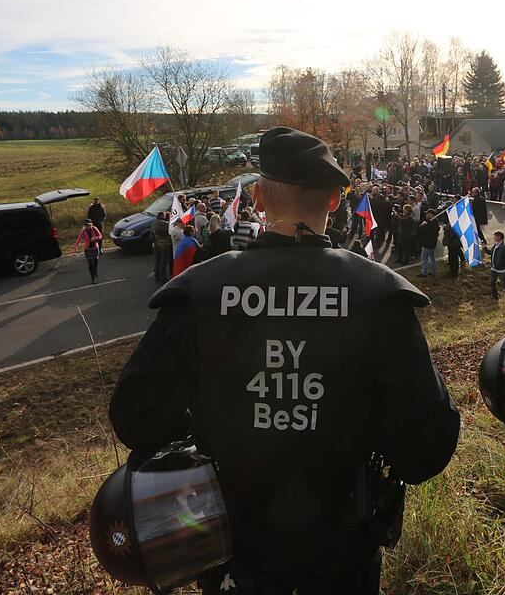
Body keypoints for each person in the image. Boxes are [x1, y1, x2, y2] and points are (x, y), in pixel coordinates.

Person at [109, 127, 459, 594]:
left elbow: (135, 417)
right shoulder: (379, 297)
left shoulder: (199, 293)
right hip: (342, 552)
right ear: (334, 200)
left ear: (256, 197)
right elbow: (427, 447)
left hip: (233, 547)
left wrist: (212, 430)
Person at [73, 218, 104, 284]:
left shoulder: (94, 228)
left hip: (95, 248)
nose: (87, 226)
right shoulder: (83, 231)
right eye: (86, 225)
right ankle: (93, 278)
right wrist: (75, 246)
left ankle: (95, 271)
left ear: (91, 224)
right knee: (90, 264)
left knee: (95, 262)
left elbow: (100, 236)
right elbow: (79, 238)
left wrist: (95, 238)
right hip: (87, 249)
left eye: (88, 225)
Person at [484, 231, 505, 301]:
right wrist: (484, 247)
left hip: (501, 270)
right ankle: (495, 297)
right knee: (492, 282)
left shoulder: (504, 247)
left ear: (499, 237)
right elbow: (489, 252)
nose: (494, 238)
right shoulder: (495, 245)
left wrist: (500, 265)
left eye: (495, 236)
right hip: (494, 269)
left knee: (504, 284)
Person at [152, 210, 173, 283]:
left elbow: (151, 235)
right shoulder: (166, 224)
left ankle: (157, 276)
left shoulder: (153, 224)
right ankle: (163, 277)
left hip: (156, 244)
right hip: (164, 244)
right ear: (162, 216)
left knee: (157, 260)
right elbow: (170, 233)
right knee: (163, 261)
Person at [417, 209, 440, 277]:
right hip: (431, 243)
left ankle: (424, 272)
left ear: (431, 214)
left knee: (424, 258)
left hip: (427, 243)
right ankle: (434, 271)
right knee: (432, 257)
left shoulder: (431, 223)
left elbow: (424, 230)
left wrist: (422, 225)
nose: (426, 215)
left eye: (428, 214)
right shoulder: (433, 222)